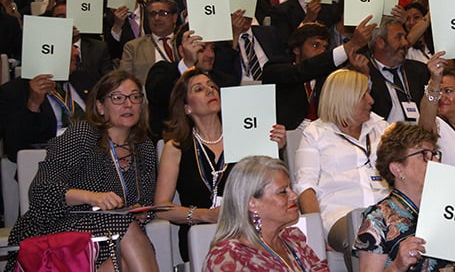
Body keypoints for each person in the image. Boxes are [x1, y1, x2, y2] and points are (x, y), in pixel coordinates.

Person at [6, 70, 159, 271]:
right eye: (118, 98)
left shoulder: (144, 146)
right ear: (100, 107)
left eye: (135, 97)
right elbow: (40, 191)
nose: (128, 104)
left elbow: (146, 202)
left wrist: (141, 212)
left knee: (125, 254)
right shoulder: (82, 134)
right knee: (124, 230)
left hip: (110, 235)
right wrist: (93, 197)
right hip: (58, 227)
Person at [154, 69, 287, 262]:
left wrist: (277, 150)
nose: (209, 91)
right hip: (202, 235)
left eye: (212, 86)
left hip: (249, 229)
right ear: (186, 108)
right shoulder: (176, 147)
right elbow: (161, 207)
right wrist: (206, 215)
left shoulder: (247, 134)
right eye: (199, 89)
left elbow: (271, 186)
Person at [354, 122, 455, 272]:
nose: (435, 161)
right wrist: (397, 266)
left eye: (434, 154)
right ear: (397, 169)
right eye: (424, 155)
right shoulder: (378, 219)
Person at [294, 69, 390, 260]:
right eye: (364, 95)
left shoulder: (381, 127)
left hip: (387, 210)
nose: (371, 100)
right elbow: (306, 188)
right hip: (342, 215)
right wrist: (318, 235)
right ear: (346, 98)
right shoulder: (316, 133)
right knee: (370, 237)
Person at [205, 156, 329, 271]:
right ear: (251, 203)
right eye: (282, 192)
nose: (294, 196)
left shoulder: (292, 240)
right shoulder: (229, 257)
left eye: (290, 188)